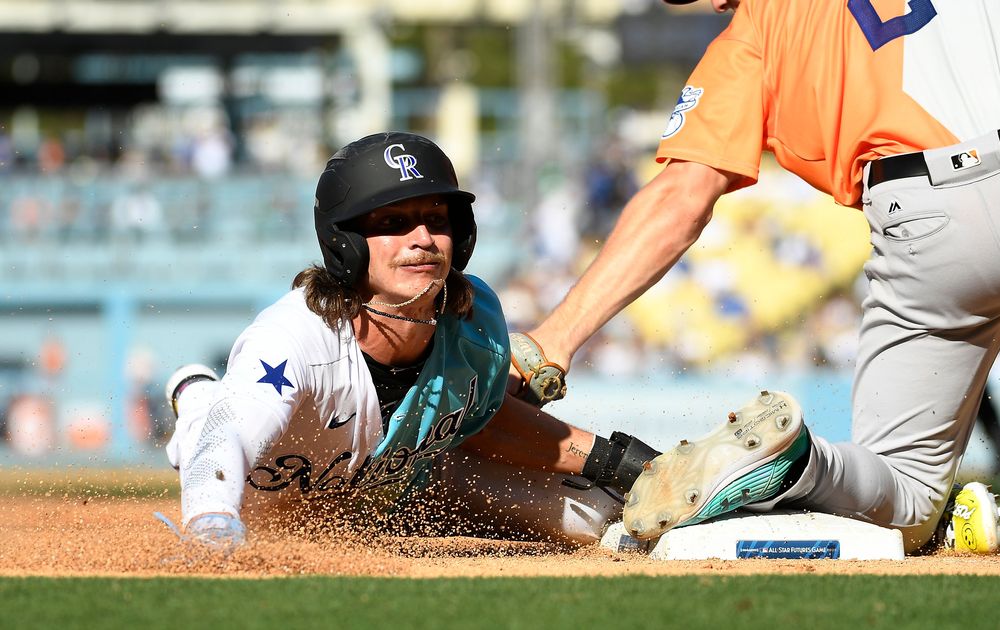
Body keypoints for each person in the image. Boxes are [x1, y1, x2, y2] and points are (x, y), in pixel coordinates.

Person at [514, 0, 1000, 554]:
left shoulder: (754, 31)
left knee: (902, 502)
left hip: (923, 225)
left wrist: (554, 339)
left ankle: (797, 463)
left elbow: (680, 199)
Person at [161, 132, 658, 553]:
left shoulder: (476, 322)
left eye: (437, 220)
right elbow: (223, 441)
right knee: (211, 420)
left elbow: (484, 426)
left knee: (599, 516)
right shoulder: (294, 337)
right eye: (392, 223)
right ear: (345, 243)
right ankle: (198, 393)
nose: (422, 237)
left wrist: (621, 464)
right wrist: (213, 526)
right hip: (275, 506)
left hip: (400, 491)